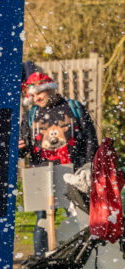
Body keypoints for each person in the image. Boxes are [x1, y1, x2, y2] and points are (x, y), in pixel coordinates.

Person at [18, 71, 97, 257]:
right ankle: (41, 260)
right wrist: (19, 148)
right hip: (41, 173)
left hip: (73, 172)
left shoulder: (74, 108)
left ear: (49, 89)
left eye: (39, 93)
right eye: (32, 96)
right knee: (42, 220)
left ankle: (79, 258)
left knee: (77, 217)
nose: (36, 98)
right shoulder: (31, 115)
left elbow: (90, 138)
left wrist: (88, 165)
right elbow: (24, 147)